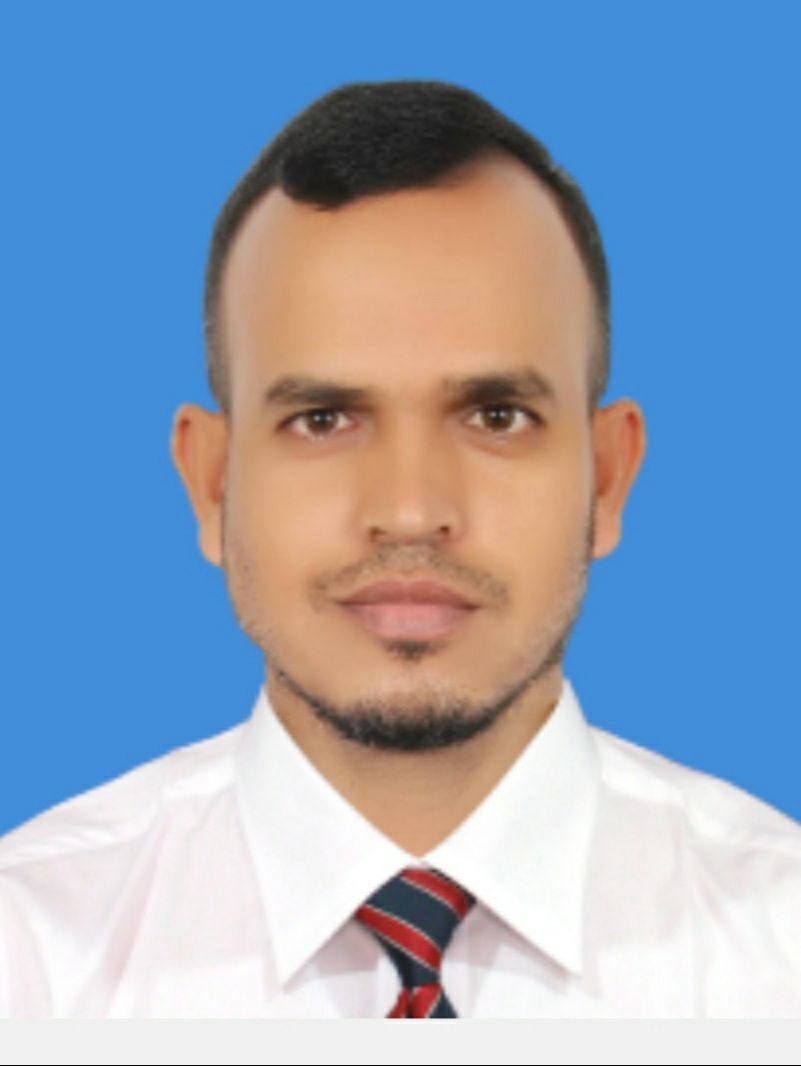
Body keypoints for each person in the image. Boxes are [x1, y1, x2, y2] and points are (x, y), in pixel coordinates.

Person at [1, 78, 799, 1020]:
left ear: (606, 478)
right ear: (211, 483)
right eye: (322, 418)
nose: (411, 512)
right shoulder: (31, 955)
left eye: (496, 416)